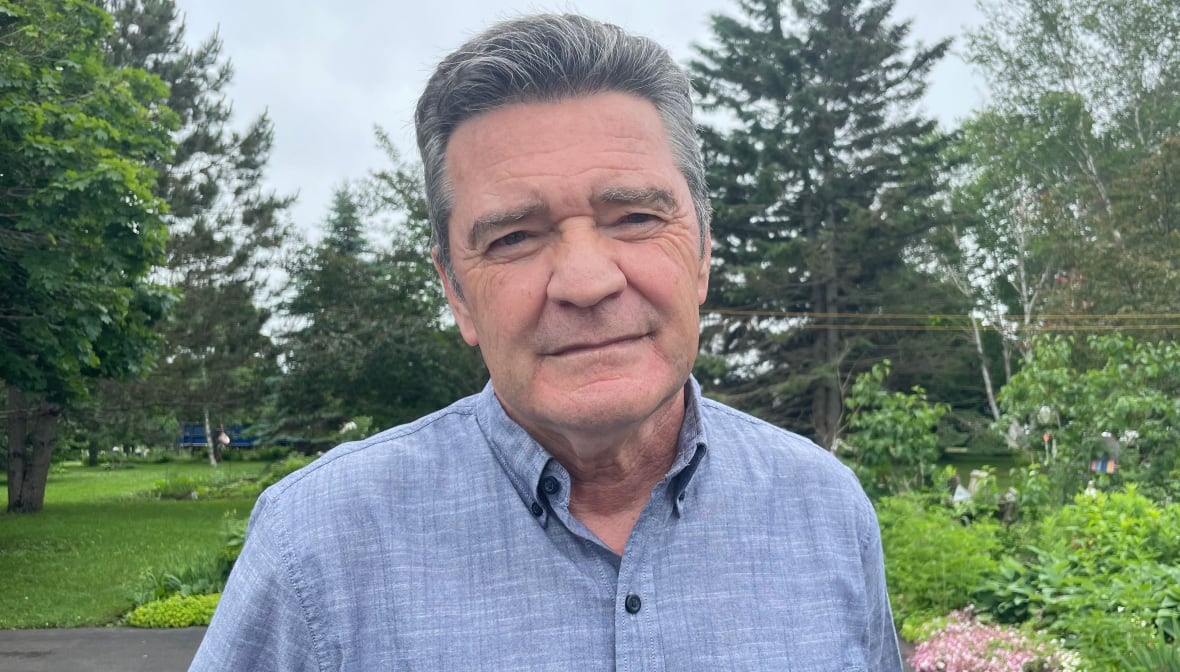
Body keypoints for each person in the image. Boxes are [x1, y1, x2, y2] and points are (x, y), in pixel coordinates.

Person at [190, 14, 901, 671]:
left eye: (633, 217)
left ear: (704, 252)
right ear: (456, 291)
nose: (587, 282)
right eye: (515, 237)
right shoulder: (315, 548)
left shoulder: (825, 509)